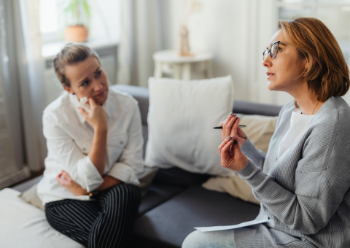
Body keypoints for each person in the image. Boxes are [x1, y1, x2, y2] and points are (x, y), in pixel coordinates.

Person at [183, 17, 350, 248]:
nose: (265, 61)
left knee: (196, 244)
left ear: (308, 59)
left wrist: (245, 170)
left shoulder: (332, 127)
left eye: (275, 50)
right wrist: (246, 148)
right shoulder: (291, 110)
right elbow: (279, 178)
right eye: (265, 51)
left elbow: (307, 220)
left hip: (307, 241)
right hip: (275, 227)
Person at [37, 43, 144, 248]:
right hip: (65, 195)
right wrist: (101, 129)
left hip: (114, 188)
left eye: (98, 73)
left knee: (127, 193)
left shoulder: (128, 105)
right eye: (85, 82)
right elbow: (87, 179)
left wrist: (86, 190)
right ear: (69, 89)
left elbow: (134, 165)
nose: (99, 86)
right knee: (112, 237)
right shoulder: (55, 117)